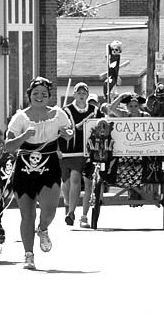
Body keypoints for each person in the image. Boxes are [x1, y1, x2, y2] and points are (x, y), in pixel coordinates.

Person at [5, 77, 73, 270]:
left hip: (49, 166)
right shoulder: (20, 117)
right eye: (36, 94)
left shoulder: (58, 113)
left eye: (44, 94)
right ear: (29, 96)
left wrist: (68, 133)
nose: (40, 97)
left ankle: (43, 229)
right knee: (27, 214)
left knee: (49, 210)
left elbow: (68, 131)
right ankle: (28, 255)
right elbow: (8, 146)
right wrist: (24, 136)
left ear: (49, 96)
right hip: (24, 168)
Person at [60, 83, 101, 227]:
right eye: (79, 92)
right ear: (74, 94)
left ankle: (79, 215)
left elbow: (103, 126)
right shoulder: (66, 111)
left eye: (84, 92)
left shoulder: (95, 110)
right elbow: (60, 130)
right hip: (69, 152)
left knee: (84, 181)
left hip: (89, 152)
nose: (82, 94)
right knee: (66, 184)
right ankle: (69, 203)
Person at [81, 93, 101, 228]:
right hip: (89, 157)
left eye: (94, 104)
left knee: (99, 185)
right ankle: (84, 216)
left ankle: (99, 200)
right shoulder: (84, 122)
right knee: (88, 187)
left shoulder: (103, 119)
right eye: (90, 103)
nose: (92, 106)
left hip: (102, 156)